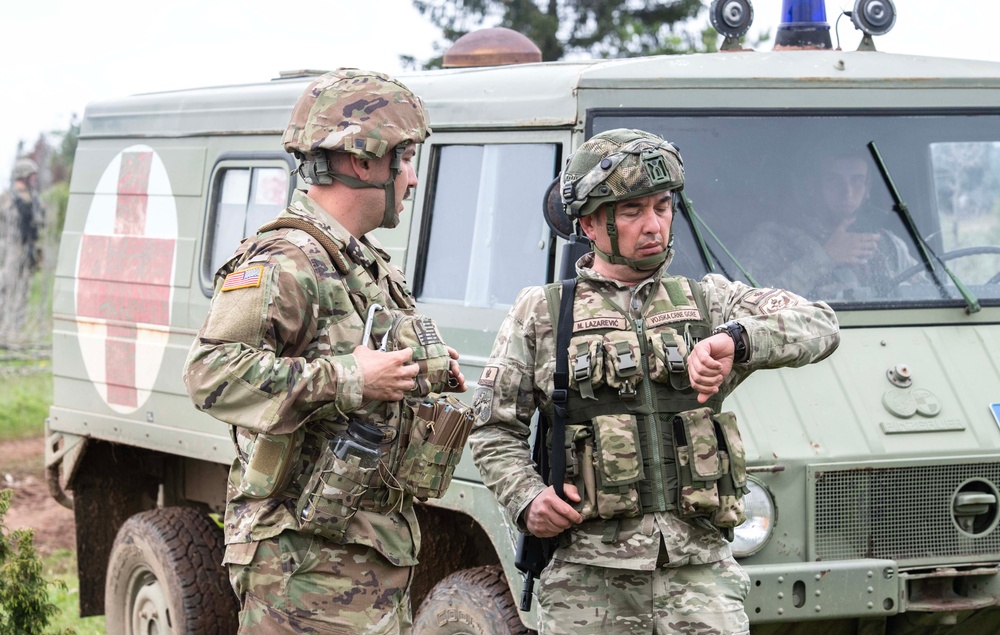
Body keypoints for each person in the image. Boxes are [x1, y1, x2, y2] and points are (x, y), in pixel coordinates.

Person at [468, 128, 841, 634]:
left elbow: (819, 324)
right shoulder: (544, 312)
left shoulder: (708, 300)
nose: (653, 225)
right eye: (632, 211)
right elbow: (492, 427)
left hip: (700, 575)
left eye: (662, 207)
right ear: (591, 224)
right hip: (587, 578)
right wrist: (526, 499)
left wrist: (736, 340)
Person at [184, 68, 468, 634]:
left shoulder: (363, 263)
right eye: (404, 159)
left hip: (363, 557)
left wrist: (423, 372)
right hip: (301, 567)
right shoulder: (285, 259)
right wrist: (349, 379)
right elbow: (209, 373)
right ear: (364, 161)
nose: (411, 179)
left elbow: (364, 364)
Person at [739, 148, 921, 299]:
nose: (847, 192)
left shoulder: (888, 246)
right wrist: (824, 258)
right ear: (812, 187)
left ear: (867, 189)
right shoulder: (771, 243)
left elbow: (927, 294)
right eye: (834, 180)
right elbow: (748, 309)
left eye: (856, 180)